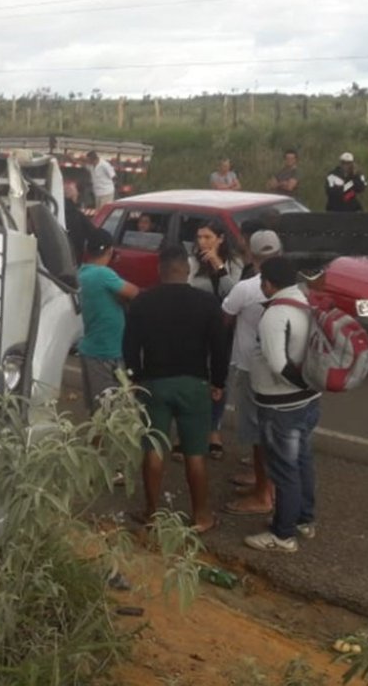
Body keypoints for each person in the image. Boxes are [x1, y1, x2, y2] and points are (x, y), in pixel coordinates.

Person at [124, 245, 228, 534]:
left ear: (160, 269)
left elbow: (130, 344)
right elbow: (219, 347)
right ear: (188, 269)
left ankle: (151, 512)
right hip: (194, 384)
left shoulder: (143, 301)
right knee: (196, 453)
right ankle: (201, 515)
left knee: (154, 450)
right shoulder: (207, 302)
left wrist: (134, 377)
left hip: (154, 383)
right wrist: (218, 382)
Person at [243, 257, 321, 554]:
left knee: (283, 469)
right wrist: (310, 386)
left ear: (268, 284)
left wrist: (300, 384)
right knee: (302, 461)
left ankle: (282, 535)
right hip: (309, 402)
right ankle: (303, 519)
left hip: (282, 407)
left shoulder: (275, 315)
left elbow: (278, 365)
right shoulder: (306, 301)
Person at [221, 230, 283, 516]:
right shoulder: (293, 286)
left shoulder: (246, 288)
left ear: (251, 255)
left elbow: (225, 319)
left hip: (250, 368)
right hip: (283, 370)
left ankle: (263, 494)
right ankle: (265, 482)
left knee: (259, 434)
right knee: (274, 431)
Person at [186, 220, 242, 458]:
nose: (202, 242)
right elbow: (187, 290)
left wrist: (219, 266)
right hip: (196, 326)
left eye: (208, 237)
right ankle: (188, 429)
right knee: (194, 376)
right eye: (199, 237)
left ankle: (214, 429)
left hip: (223, 328)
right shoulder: (192, 262)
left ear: (220, 239)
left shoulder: (234, 263)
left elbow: (234, 293)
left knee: (219, 378)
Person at [77, 229, 139, 409]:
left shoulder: (82, 273)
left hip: (92, 347)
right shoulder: (103, 274)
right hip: (104, 351)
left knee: (97, 407)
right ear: (110, 251)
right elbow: (134, 292)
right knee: (107, 409)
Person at [62, 179, 93, 266]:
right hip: (74, 258)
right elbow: (93, 233)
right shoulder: (77, 215)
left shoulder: (53, 210)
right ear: (75, 195)